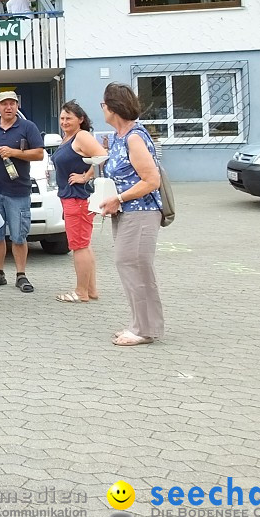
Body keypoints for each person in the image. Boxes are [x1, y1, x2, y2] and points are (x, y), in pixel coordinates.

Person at [99, 83, 164, 346]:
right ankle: (139, 324)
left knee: (135, 267)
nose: (102, 109)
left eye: (104, 104)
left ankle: (145, 330)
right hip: (126, 212)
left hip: (141, 212)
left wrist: (120, 198)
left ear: (113, 107)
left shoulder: (134, 137)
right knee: (129, 266)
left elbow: (151, 180)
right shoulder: (119, 136)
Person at [0, 91, 44, 294]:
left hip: (18, 191)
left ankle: (21, 275)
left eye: (12, 103)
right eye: (4, 104)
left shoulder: (28, 127)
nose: (8, 107)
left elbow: (39, 154)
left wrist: (14, 152)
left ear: (17, 106)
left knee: (19, 236)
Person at [51, 101, 107, 304]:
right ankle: (91, 290)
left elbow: (102, 156)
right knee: (84, 244)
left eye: (69, 118)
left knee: (79, 246)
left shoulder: (82, 136)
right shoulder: (68, 138)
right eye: (62, 118)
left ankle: (80, 292)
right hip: (70, 196)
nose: (64, 122)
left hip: (78, 197)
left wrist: (86, 176)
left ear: (80, 120)